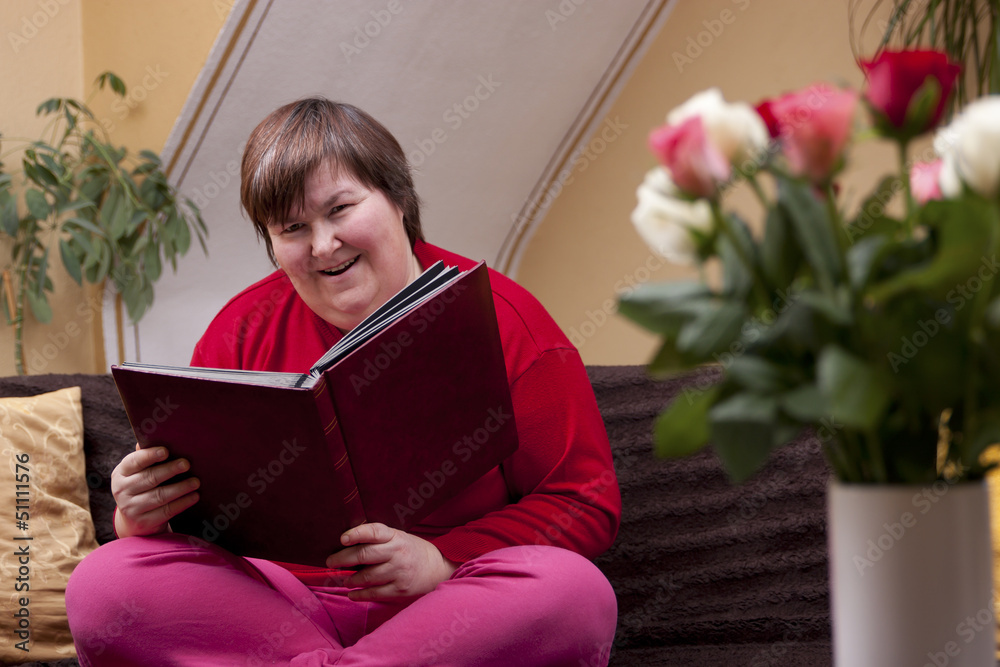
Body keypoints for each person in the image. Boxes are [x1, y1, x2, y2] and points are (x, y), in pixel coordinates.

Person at [66, 98, 621, 666]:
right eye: (293, 228)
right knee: (104, 586)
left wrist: (442, 559)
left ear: (398, 198)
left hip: (451, 605)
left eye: (340, 209)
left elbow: (584, 500)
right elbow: (192, 537)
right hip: (278, 609)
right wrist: (139, 517)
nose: (323, 244)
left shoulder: (505, 316)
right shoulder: (240, 330)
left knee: (574, 594)